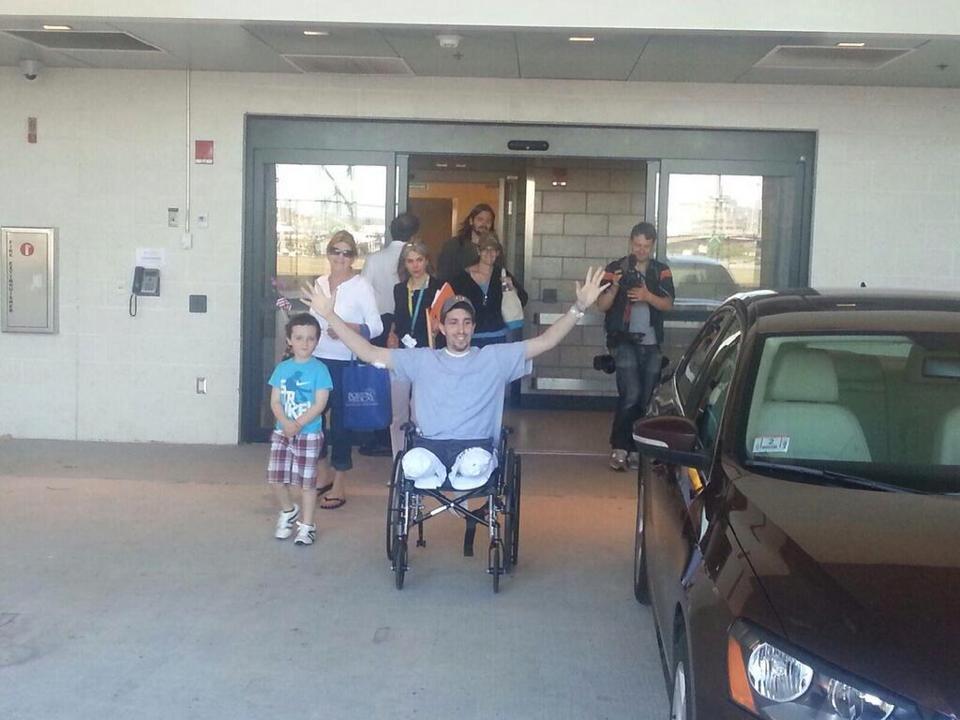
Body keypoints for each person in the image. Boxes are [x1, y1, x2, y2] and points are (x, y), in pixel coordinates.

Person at [303, 267, 609, 481]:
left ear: (473, 327)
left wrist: (579, 307)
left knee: (474, 465)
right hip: (429, 450)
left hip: (477, 450)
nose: (460, 329)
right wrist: (329, 315)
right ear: (441, 326)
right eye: (453, 322)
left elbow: (546, 341)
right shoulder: (422, 359)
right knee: (413, 465)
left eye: (466, 322)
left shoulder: (495, 358)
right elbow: (370, 353)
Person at [308, 230, 383, 508]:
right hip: (317, 360)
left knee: (340, 425)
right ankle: (323, 472)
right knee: (313, 420)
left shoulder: (361, 286)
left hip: (345, 362)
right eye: (335, 251)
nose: (340, 257)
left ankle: (339, 482)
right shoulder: (320, 283)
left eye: (346, 253)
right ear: (328, 253)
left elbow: (376, 326)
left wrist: (347, 328)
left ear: (354, 257)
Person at [595, 222, 675, 472]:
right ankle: (620, 448)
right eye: (637, 245)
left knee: (646, 397)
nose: (641, 250)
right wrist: (616, 285)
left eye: (646, 246)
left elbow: (668, 304)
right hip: (623, 340)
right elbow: (601, 305)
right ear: (631, 242)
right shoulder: (615, 268)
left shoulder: (661, 270)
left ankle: (637, 448)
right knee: (631, 393)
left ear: (652, 246)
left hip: (652, 342)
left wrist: (647, 296)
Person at [265, 313, 333, 546]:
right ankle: (288, 511)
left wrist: (298, 424)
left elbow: (320, 404)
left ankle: (307, 525)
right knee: (276, 478)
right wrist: (285, 423)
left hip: (309, 433)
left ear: (317, 341)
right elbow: (275, 401)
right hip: (282, 432)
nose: (305, 343)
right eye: (299, 338)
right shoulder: (282, 369)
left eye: (310, 338)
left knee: (307, 483)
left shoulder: (320, 370)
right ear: (289, 340)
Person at [358, 212, 421, 456]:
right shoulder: (417, 259)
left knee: (380, 382)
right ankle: (411, 436)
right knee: (409, 385)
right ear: (414, 235)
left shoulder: (374, 259)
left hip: (380, 325)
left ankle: (381, 436)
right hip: (410, 327)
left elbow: (363, 290)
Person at [385, 240, 444, 456]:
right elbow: (399, 317)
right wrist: (392, 333)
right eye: (410, 261)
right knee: (398, 413)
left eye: (419, 260)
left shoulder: (439, 287)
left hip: (428, 354)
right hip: (402, 354)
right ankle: (399, 459)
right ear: (405, 264)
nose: (415, 265)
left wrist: (440, 326)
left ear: (427, 261)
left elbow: (449, 318)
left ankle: (421, 458)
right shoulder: (400, 289)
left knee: (420, 412)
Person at [449, 234, 527, 348]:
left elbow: (523, 298)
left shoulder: (502, 274)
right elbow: (450, 304)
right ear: (478, 251)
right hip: (470, 338)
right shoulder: (462, 278)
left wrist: (512, 289)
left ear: (498, 253)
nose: (489, 253)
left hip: (499, 338)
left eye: (493, 250)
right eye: (485, 249)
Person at [436, 203, 495, 282]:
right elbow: (442, 276)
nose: (484, 224)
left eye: (488, 221)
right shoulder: (453, 245)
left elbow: (499, 273)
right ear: (471, 221)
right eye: (480, 219)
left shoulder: (495, 248)